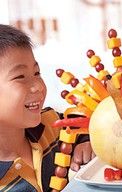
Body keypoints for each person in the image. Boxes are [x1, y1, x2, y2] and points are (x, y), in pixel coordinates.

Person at [0, 24, 94, 191]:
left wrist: (85, 141)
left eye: (37, 73)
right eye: (20, 77)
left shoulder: (51, 125)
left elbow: (82, 125)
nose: (38, 86)